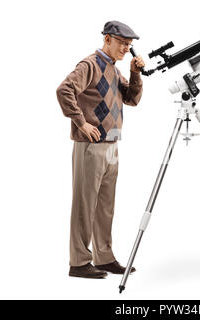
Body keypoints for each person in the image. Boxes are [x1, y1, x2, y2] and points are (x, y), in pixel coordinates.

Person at [56, 21, 145, 279]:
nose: (126, 48)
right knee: (85, 204)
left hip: (112, 145)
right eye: (122, 43)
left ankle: (104, 257)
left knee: (105, 205)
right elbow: (64, 90)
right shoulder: (90, 65)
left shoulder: (114, 71)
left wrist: (135, 73)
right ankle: (79, 262)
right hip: (91, 147)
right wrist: (81, 122)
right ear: (107, 39)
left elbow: (132, 99)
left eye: (129, 45)